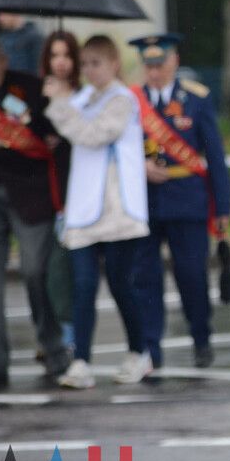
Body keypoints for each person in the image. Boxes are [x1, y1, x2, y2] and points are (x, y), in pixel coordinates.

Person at [44, 35, 151, 389]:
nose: (90, 70)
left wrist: (61, 105)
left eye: (97, 63)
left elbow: (91, 134)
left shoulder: (122, 99)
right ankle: (81, 361)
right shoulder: (84, 97)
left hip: (117, 209)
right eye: (85, 64)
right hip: (84, 209)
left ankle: (139, 352)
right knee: (83, 285)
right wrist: (59, 99)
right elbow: (62, 125)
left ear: (114, 64)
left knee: (121, 285)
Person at [129, 33, 230, 369]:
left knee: (191, 275)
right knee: (145, 279)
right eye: (148, 65)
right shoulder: (131, 101)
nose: (154, 71)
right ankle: (151, 347)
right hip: (144, 203)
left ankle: (201, 338)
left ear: (173, 61)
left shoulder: (196, 99)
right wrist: (139, 166)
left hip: (187, 200)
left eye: (160, 64)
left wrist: (223, 206)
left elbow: (214, 156)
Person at [0, 35, 70, 387]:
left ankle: (54, 349)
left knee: (36, 271)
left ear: (3, 63)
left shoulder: (29, 88)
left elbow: (57, 134)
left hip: (30, 195)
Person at [39, 31, 81, 347]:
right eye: (55, 55)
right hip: (43, 193)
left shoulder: (83, 96)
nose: (61, 62)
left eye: (66, 55)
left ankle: (69, 337)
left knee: (68, 270)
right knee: (44, 270)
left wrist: (61, 104)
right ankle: (50, 336)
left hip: (76, 192)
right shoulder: (38, 94)